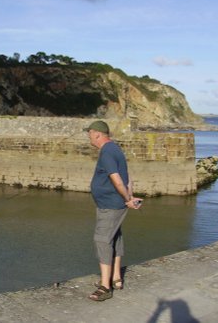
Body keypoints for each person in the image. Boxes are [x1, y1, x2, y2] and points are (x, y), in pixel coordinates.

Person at [84, 120, 143, 302]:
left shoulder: (107, 152)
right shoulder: (115, 149)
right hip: (113, 203)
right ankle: (116, 277)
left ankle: (105, 287)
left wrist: (127, 200)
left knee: (101, 240)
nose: (89, 137)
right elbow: (128, 176)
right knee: (114, 236)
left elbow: (117, 179)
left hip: (110, 205)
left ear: (97, 134)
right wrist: (130, 196)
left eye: (89, 133)